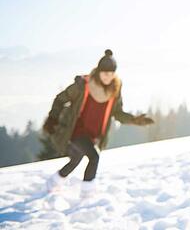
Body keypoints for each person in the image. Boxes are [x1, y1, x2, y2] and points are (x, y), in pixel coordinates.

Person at [43, 50, 154, 196]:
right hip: (76, 130)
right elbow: (60, 99)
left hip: (93, 134)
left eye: (111, 73)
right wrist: (53, 118)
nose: (107, 77)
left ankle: (54, 181)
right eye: (104, 73)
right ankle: (87, 192)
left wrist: (135, 120)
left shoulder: (115, 90)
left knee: (76, 159)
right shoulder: (83, 85)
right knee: (94, 157)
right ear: (98, 71)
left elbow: (117, 113)